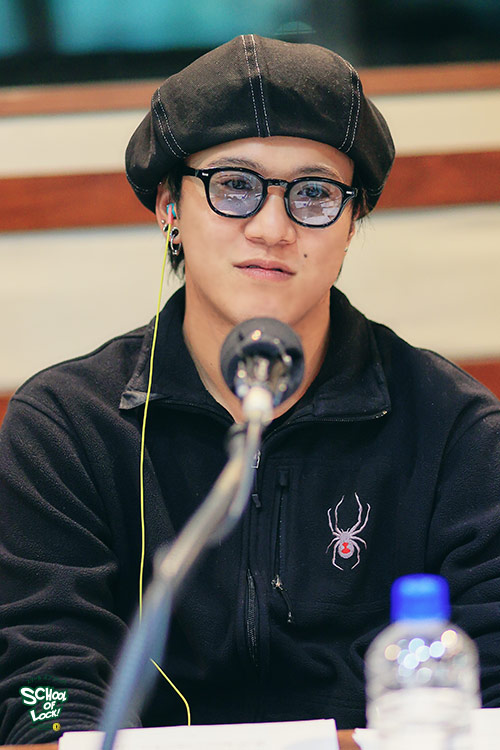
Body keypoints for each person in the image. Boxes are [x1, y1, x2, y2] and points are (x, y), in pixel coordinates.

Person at [1, 34, 500, 745]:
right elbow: (43, 685)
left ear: (352, 223)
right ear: (169, 207)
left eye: (315, 194)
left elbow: (489, 690)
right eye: (234, 185)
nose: (272, 228)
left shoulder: (456, 431)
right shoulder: (64, 428)